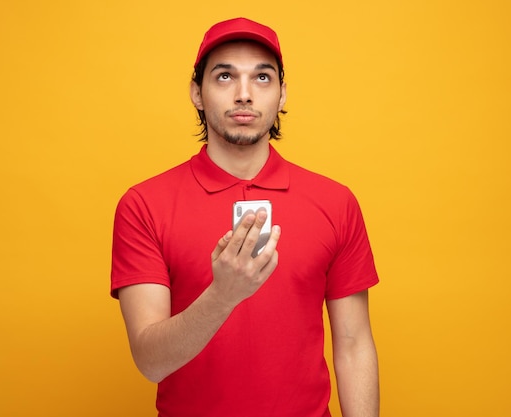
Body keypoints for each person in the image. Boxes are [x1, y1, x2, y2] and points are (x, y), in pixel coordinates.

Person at [111, 17, 380, 417]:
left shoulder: (335, 202)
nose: (243, 94)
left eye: (262, 78)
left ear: (282, 93)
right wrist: (223, 296)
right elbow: (151, 361)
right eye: (224, 77)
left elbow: (355, 344)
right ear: (196, 93)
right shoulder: (143, 205)